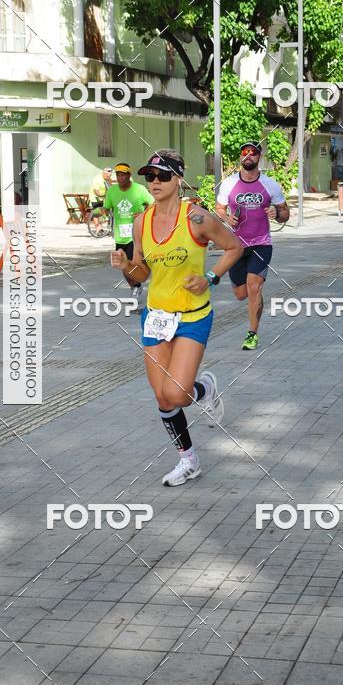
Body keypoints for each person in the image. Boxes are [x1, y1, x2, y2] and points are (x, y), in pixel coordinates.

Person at [111, 149, 242, 487]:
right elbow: (141, 274)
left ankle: (205, 389)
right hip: (156, 316)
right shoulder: (141, 222)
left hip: (192, 316)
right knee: (162, 396)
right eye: (149, 176)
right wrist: (125, 267)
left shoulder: (197, 218)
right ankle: (188, 460)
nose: (154, 182)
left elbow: (234, 247)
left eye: (163, 176)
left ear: (178, 179)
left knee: (179, 393)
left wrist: (210, 278)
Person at [215, 142, 290, 351]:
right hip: (236, 246)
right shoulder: (229, 184)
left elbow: (285, 213)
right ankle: (256, 299)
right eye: (244, 152)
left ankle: (252, 334)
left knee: (253, 287)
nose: (248, 155)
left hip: (261, 243)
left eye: (253, 152)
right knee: (241, 294)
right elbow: (219, 208)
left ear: (259, 157)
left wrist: (277, 214)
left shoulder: (270, 185)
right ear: (241, 157)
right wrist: (226, 218)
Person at [103, 162, 153, 304]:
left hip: (136, 235)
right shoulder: (112, 191)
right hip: (120, 235)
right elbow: (106, 208)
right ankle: (135, 286)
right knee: (122, 265)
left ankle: (137, 286)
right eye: (118, 175)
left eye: (123, 175)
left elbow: (153, 205)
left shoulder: (140, 189)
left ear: (129, 175)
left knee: (132, 263)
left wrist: (143, 214)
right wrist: (101, 212)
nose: (120, 177)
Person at [88, 166, 113, 233]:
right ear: (104, 173)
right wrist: (104, 195)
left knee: (103, 213)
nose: (109, 177)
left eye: (110, 176)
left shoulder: (107, 179)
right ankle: (98, 229)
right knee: (96, 213)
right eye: (108, 176)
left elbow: (111, 187)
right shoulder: (97, 179)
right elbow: (96, 191)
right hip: (95, 197)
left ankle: (101, 226)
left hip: (103, 198)